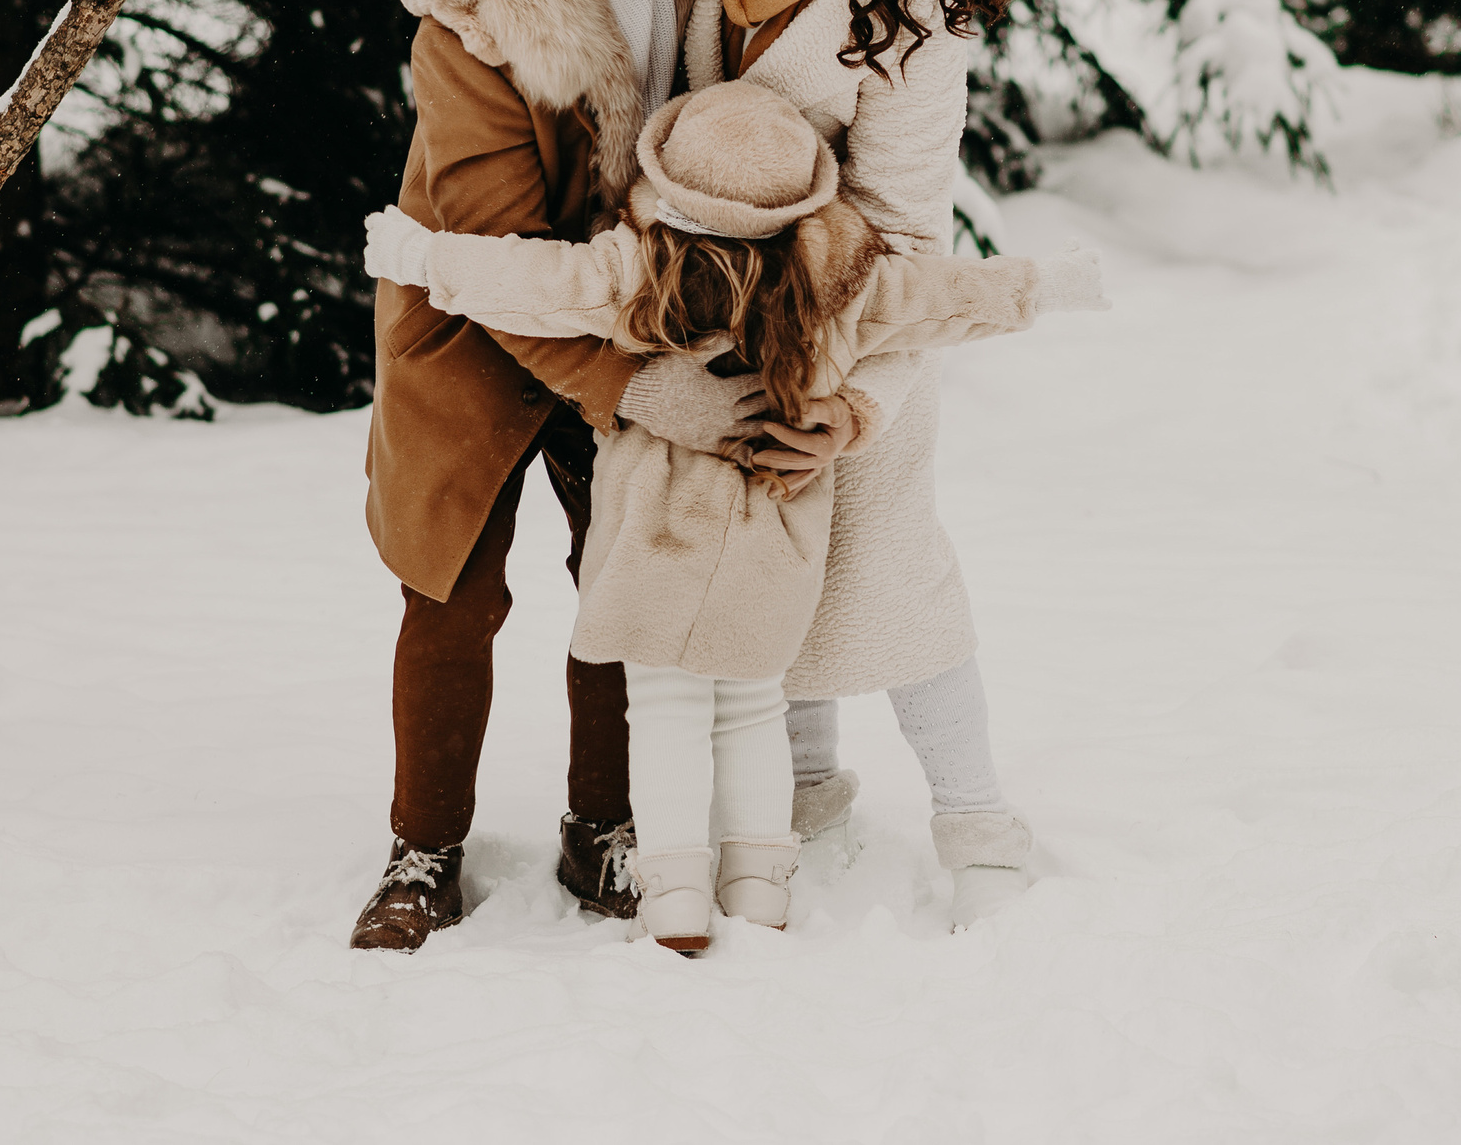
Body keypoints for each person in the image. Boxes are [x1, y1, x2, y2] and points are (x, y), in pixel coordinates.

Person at [363, 82, 1105, 950]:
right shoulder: (834, 284)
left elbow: (530, 282)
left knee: (667, 706)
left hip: (652, 536)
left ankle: (674, 894)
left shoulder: (638, 268)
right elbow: (942, 296)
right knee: (753, 706)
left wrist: (418, 255)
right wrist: (1050, 286)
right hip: (776, 537)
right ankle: (758, 885)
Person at [354, 0, 820, 951]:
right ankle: (424, 844)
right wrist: (635, 388)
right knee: (450, 585)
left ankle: (603, 824)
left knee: (622, 579)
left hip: (639, 296)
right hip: (474, 307)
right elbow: (496, 245)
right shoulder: (471, 6)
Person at [683, 0, 1036, 926]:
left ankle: (977, 818)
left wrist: (855, 402)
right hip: (709, 301)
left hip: (852, 320)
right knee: (766, 576)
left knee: (888, 580)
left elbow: (902, 229)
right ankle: (810, 793)